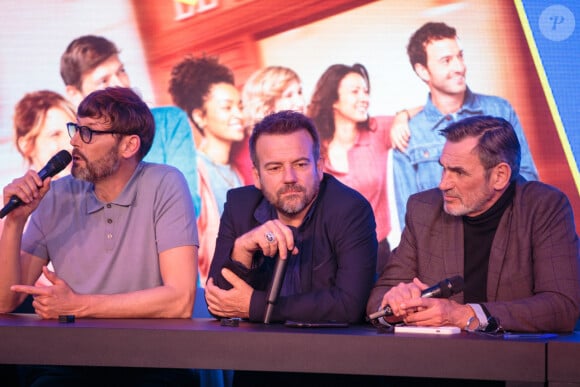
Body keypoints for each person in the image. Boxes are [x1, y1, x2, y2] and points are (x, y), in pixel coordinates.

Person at [0, 87, 199, 384]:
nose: (74, 142)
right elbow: (5, 302)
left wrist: (78, 305)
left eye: (88, 133)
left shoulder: (165, 183)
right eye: (76, 129)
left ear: (129, 145)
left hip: (152, 363)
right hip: (71, 363)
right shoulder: (57, 194)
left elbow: (179, 301)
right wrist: (15, 222)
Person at [367, 115, 579, 333]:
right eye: (444, 168)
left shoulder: (544, 207)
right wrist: (393, 303)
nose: (443, 184)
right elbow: (379, 299)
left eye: (459, 172)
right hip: (434, 360)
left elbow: (561, 306)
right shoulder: (423, 208)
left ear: (499, 176)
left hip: (516, 361)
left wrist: (465, 315)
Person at [205, 110, 377, 323]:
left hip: (328, 350)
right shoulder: (239, 206)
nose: (290, 178)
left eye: (300, 164)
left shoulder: (350, 210)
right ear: (257, 177)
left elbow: (349, 305)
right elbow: (217, 303)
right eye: (275, 168)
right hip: (253, 351)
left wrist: (256, 306)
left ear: (320, 167)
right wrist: (242, 250)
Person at [392, 22, 539, 230]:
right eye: (446, 60)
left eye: (460, 56)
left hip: (507, 238)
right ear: (423, 71)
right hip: (447, 256)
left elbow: (529, 182)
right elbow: (411, 220)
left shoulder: (500, 110)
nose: (459, 67)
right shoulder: (409, 135)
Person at [60, 35, 201, 219]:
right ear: (74, 94)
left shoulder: (169, 122)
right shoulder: (76, 148)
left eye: (121, 71)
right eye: (103, 81)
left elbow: (186, 204)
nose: (120, 84)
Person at [307, 63, 395, 271]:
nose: (364, 98)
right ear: (334, 100)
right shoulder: (312, 146)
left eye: (365, 91)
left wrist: (402, 116)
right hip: (331, 260)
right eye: (355, 91)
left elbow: (424, 116)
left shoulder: (377, 130)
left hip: (378, 254)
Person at [169, 55, 245, 286]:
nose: (238, 115)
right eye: (227, 107)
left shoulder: (237, 171)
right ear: (199, 116)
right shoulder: (195, 173)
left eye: (240, 106)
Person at [235, 65, 306, 184]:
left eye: (299, 92)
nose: (300, 102)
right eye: (288, 95)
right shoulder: (250, 152)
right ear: (267, 104)